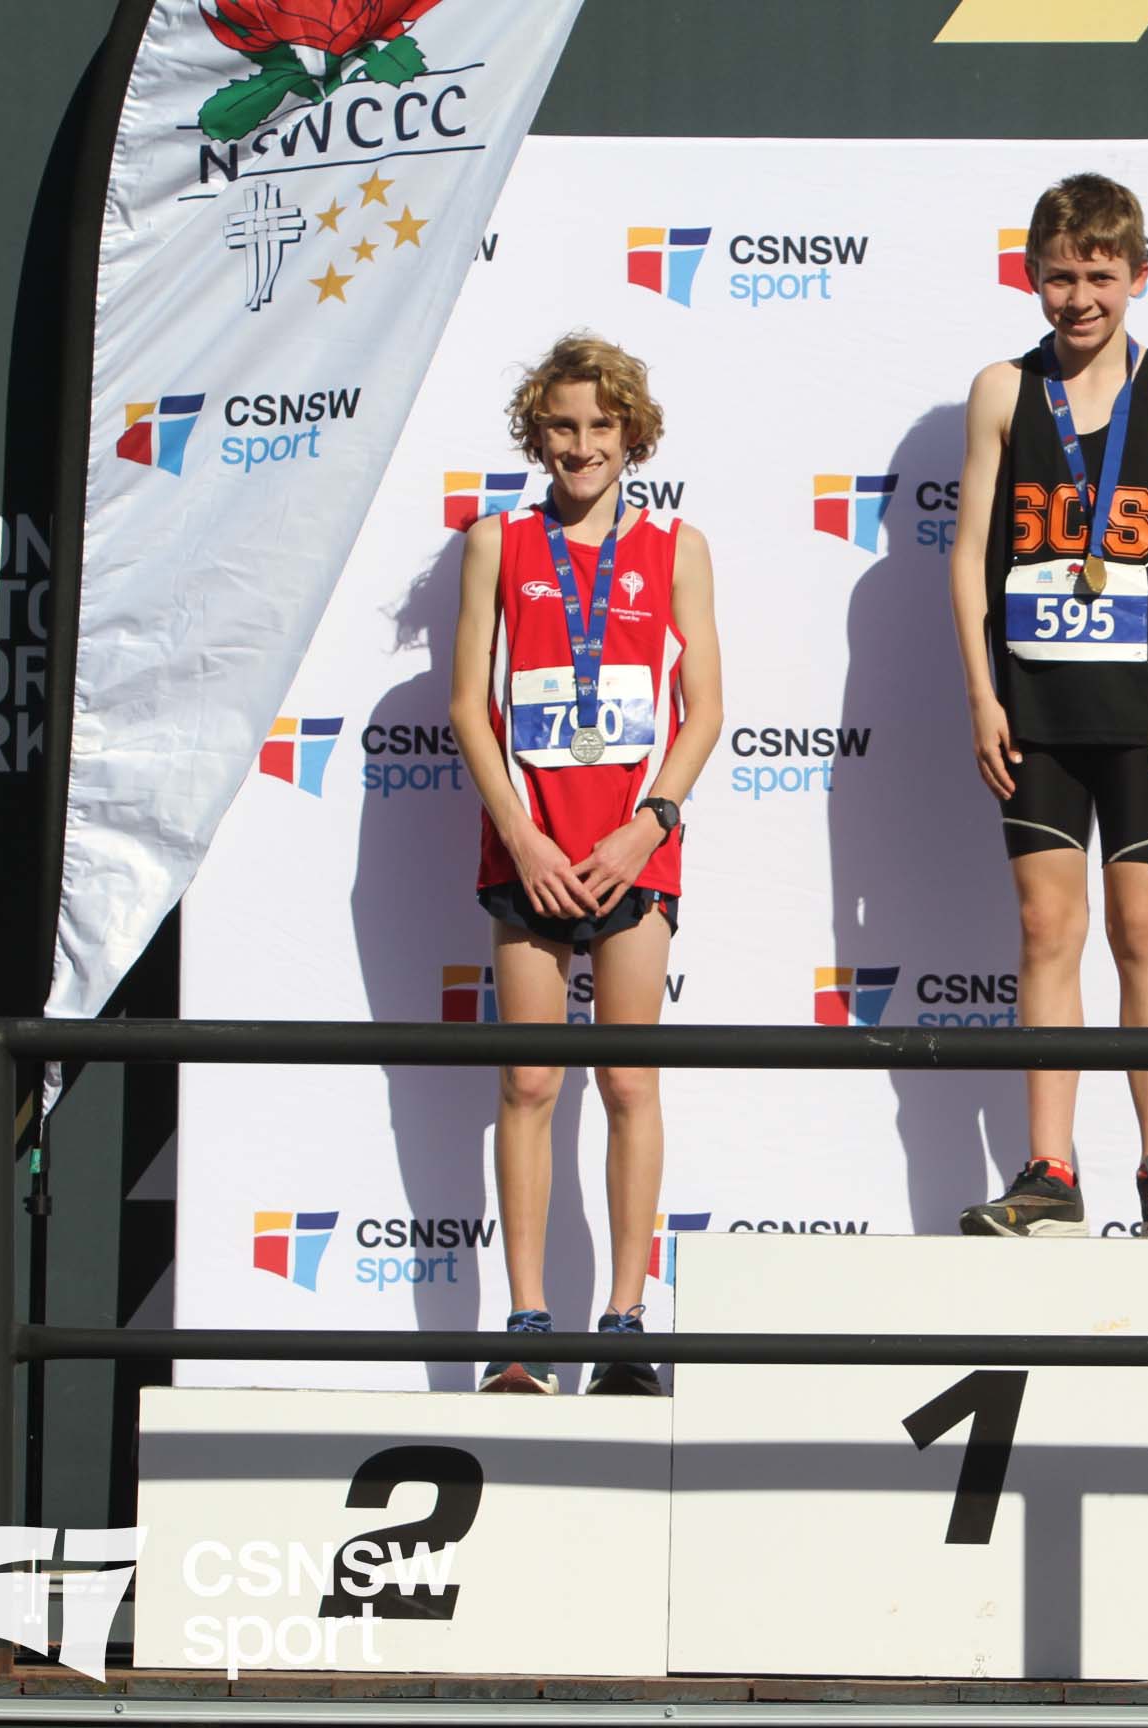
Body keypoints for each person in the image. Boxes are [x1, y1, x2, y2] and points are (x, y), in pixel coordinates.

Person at [944, 173, 1148, 1238]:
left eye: (1100, 277)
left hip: (1145, 708)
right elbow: (970, 555)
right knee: (1045, 927)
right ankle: (1050, 1170)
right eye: (1060, 277)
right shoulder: (1001, 391)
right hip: (1037, 708)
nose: (1080, 298)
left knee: (1142, 925)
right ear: (1032, 277)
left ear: (1138, 275)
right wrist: (982, 695)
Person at [448, 332, 723, 1393]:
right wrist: (522, 836)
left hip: (630, 853)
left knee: (626, 1078)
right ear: (537, 433)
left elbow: (704, 712)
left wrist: (649, 825)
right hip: (530, 847)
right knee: (527, 1080)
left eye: (601, 425)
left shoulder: (677, 546)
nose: (581, 445)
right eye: (562, 426)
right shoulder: (496, 542)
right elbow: (468, 707)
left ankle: (623, 1325)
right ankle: (525, 1331)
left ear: (632, 434)